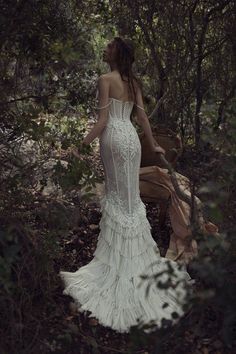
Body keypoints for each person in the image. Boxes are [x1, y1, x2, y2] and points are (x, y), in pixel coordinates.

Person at [59, 37, 193, 333]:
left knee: (117, 197)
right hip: (131, 139)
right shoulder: (133, 82)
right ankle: (138, 261)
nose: (104, 50)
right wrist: (154, 144)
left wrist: (79, 146)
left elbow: (102, 121)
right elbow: (142, 116)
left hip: (113, 140)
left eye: (108, 47)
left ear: (116, 53)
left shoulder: (105, 79)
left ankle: (117, 265)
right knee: (130, 201)